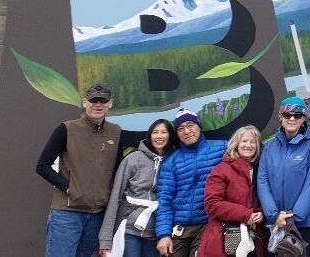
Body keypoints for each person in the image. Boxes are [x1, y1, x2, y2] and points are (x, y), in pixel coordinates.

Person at [36, 83, 123, 257]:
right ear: (84, 102)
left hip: (98, 215)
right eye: (93, 100)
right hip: (67, 213)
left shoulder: (115, 132)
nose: (98, 104)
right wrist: (69, 189)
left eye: (103, 100)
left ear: (110, 104)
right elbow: (42, 166)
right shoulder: (67, 129)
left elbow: (117, 169)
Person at [99, 119, 178, 257]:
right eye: (155, 132)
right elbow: (115, 197)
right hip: (129, 227)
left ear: (170, 136)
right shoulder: (133, 159)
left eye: (164, 132)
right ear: (149, 135)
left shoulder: (174, 160)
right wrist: (105, 239)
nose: (159, 136)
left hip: (156, 229)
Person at [155, 109, 228, 257]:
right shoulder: (172, 162)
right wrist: (164, 234)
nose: (187, 131)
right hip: (179, 228)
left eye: (190, 125)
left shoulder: (223, 148)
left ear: (199, 126)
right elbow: (164, 200)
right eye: (181, 128)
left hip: (209, 224)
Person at [257, 97, 310, 256]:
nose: (292, 119)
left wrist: (294, 216)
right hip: (275, 223)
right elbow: (262, 181)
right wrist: (274, 215)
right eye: (287, 115)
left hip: (303, 224)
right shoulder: (269, 147)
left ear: (303, 119)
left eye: (297, 115)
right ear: (281, 118)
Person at [198, 125, 266, 257]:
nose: (248, 145)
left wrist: (261, 213)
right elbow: (212, 204)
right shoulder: (222, 170)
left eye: (253, 142)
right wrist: (246, 214)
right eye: (244, 141)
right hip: (223, 239)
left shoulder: (260, 170)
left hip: (253, 238)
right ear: (236, 144)